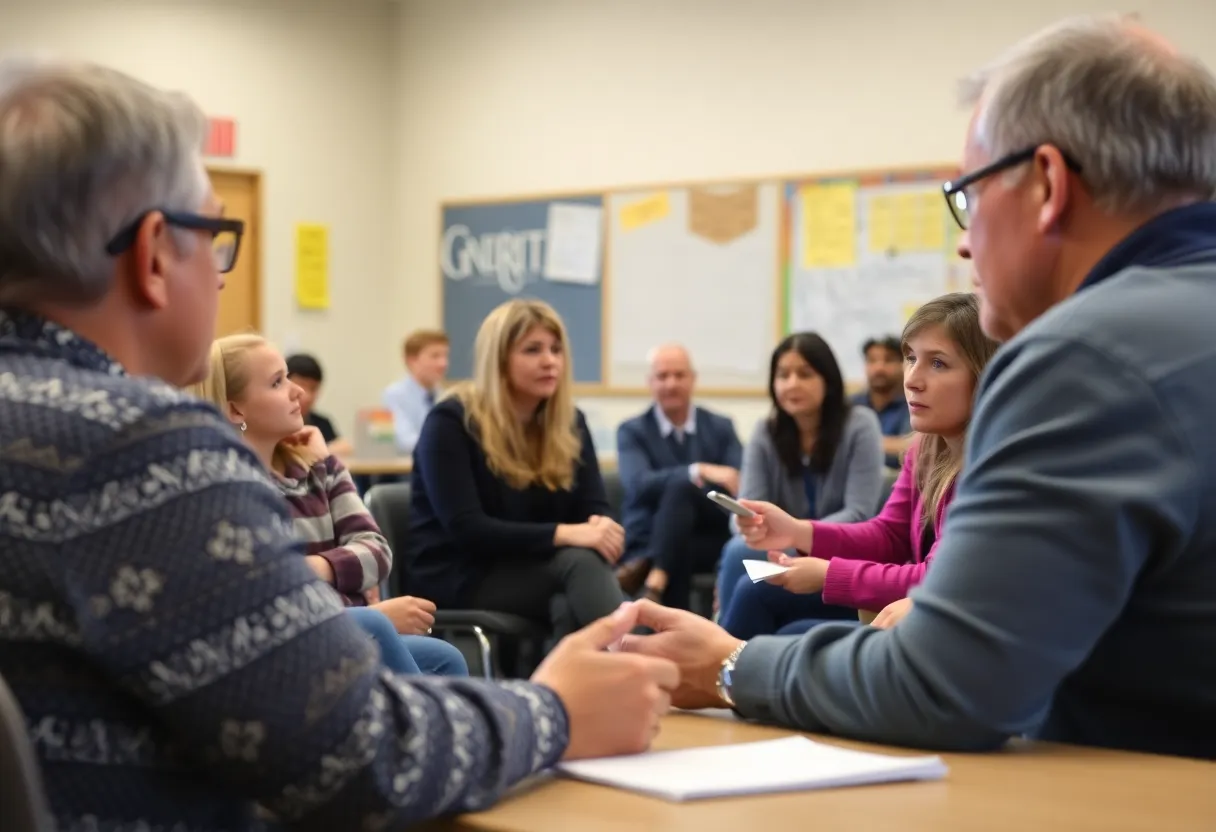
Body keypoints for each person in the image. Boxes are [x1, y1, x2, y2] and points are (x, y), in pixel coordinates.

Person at [0, 57, 678, 831]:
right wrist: (556, 711)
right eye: (214, 237)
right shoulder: (145, 450)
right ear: (153, 253)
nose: (221, 278)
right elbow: (359, 759)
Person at [617, 14, 1216, 761]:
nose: (963, 240)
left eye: (967, 194)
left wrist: (732, 665)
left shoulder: (1086, 356)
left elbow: (946, 688)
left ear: (1049, 186)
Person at [720, 294, 998, 639]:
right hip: (904, 608)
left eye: (937, 363)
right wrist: (796, 531)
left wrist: (827, 573)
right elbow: (889, 535)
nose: (912, 379)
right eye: (911, 358)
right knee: (758, 594)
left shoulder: (989, 463)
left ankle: (712, 675)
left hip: (946, 626)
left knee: (788, 631)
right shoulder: (925, 449)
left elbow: (940, 577)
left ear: (984, 375)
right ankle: (714, 676)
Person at [191, 333, 469, 677]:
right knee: (376, 627)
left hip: (346, 622)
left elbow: (377, 552)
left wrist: (316, 568)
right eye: (278, 382)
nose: (299, 392)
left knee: (444, 656)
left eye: (289, 376)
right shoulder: (227, 483)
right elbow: (268, 587)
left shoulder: (320, 465)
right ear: (235, 409)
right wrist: (366, 603)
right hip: (284, 636)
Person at [407, 299, 627, 637]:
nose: (549, 361)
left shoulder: (570, 422)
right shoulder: (451, 421)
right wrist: (566, 533)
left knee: (569, 600)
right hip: (464, 572)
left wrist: (602, 527)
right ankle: (650, 671)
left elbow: (592, 505)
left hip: (540, 566)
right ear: (499, 360)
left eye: (556, 349)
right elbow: (468, 529)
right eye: (532, 350)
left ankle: (586, 686)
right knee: (580, 565)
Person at [716, 332, 885, 618]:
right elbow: (748, 506)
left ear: (828, 381)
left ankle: (723, 647)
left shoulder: (860, 425)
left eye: (804, 374)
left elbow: (859, 513)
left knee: (740, 561)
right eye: (783, 375)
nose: (792, 384)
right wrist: (745, 522)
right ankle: (724, 647)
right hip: (781, 548)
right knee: (737, 548)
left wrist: (797, 536)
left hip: (842, 552)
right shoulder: (765, 432)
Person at [615, 344, 743, 609]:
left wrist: (689, 484)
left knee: (682, 490)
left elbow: (736, 485)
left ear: (693, 379)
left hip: (709, 535)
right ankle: (682, 637)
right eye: (662, 376)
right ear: (650, 382)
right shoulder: (632, 431)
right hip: (651, 535)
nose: (671, 384)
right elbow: (637, 485)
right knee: (680, 509)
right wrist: (697, 471)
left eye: (679, 375)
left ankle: (655, 583)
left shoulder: (720, 427)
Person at [382, 328, 449, 454]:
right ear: (412, 360)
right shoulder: (395, 395)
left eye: (445, 355)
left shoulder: (446, 395)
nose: (443, 363)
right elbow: (405, 441)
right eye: (435, 356)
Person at [854, 335, 913, 468]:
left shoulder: (913, 404)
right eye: (872, 360)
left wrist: (860, 442)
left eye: (888, 360)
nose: (879, 367)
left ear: (902, 364)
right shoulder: (851, 405)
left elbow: (913, 447)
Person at [286, 351, 353, 456]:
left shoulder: (322, 423)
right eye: (301, 386)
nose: (307, 396)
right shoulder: (274, 423)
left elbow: (342, 447)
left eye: (313, 389)